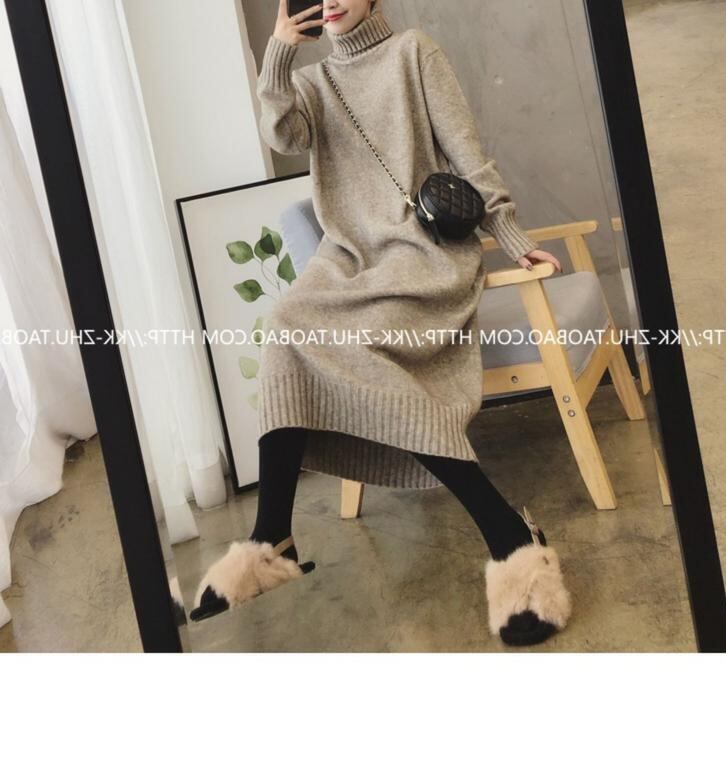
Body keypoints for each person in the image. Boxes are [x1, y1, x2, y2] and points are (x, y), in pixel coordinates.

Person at [191, 0, 572, 647]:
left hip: (424, 256)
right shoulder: (311, 81)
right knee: (285, 324)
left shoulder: (414, 52)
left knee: (360, 346)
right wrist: (279, 52)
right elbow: (283, 136)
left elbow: (468, 156)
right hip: (346, 262)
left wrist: (512, 239)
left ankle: (508, 533)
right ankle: (271, 538)